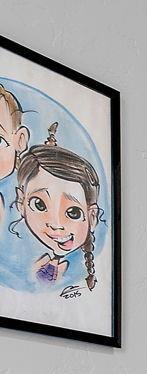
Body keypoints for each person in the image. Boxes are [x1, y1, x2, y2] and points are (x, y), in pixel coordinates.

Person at [11, 124, 101, 298]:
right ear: (21, 203)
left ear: (92, 216)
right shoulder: (18, 261)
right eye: (39, 205)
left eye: (73, 212)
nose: (56, 224)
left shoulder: (82, 276)